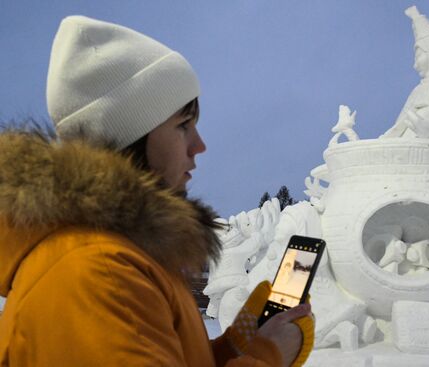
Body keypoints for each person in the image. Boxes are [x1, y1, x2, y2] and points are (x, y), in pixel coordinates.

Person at [0, 16, 313, 366]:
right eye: (183, 125)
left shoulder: (121, 257)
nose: (199, 146)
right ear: (129, 136)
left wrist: (235, 345)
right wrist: (268, 355)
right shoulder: (97, 272)